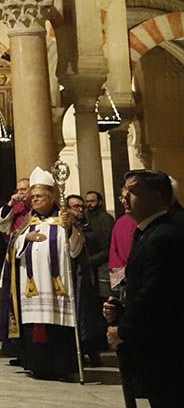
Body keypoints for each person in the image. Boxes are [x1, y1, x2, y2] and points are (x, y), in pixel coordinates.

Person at [104, 169, 184, 407]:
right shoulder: (148, 231)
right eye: (123, 192)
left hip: (167, 346)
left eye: (134, 191)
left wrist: (123, 330)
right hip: (154, 344)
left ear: (158, 197)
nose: (124, 198)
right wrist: (119, 308)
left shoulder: (164, 235)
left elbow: (155, 293)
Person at [12, 168, 83, 381]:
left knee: (58, 326)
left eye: (39, 197)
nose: (34, 200)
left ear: (51, 198)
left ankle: (61, 367)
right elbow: (13, 249)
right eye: (32, 197)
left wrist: (70, 229)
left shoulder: (63, 221)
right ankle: (39, 366)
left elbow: (76, 249)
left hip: (57, 286)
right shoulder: (27, 223)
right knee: (36, 327)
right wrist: (26, 239)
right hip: (32, 287)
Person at [65, 194, 107, 366]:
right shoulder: (64, 226)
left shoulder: (95, 225)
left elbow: (105, 248)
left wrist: (90, 262)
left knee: (89, 315)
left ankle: (93, 351)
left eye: (82, 206)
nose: (80, 210)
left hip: (90, 274)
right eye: (75, 207)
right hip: (72, 276)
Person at [0, 176, 31, 360]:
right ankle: (16, 349)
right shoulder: (16, 210)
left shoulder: (37, 211)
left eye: (24, 189)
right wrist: (9, 204)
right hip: (15, 265)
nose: (20, 193)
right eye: (18, 189)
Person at [83, 190, 115, 297]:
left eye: (92, 201)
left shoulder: (106, 219)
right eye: (87, 201)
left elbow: (107, 247)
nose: (89, 204)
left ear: (100, 202)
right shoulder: (85, 217)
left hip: (102, 265)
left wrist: (90, 261)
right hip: (90, 264)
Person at [109, 186, 137, 290]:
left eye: (128, 198)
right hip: (126, 278)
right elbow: (113, 249)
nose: (124, 202)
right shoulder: (120, 222)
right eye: (122, 198)